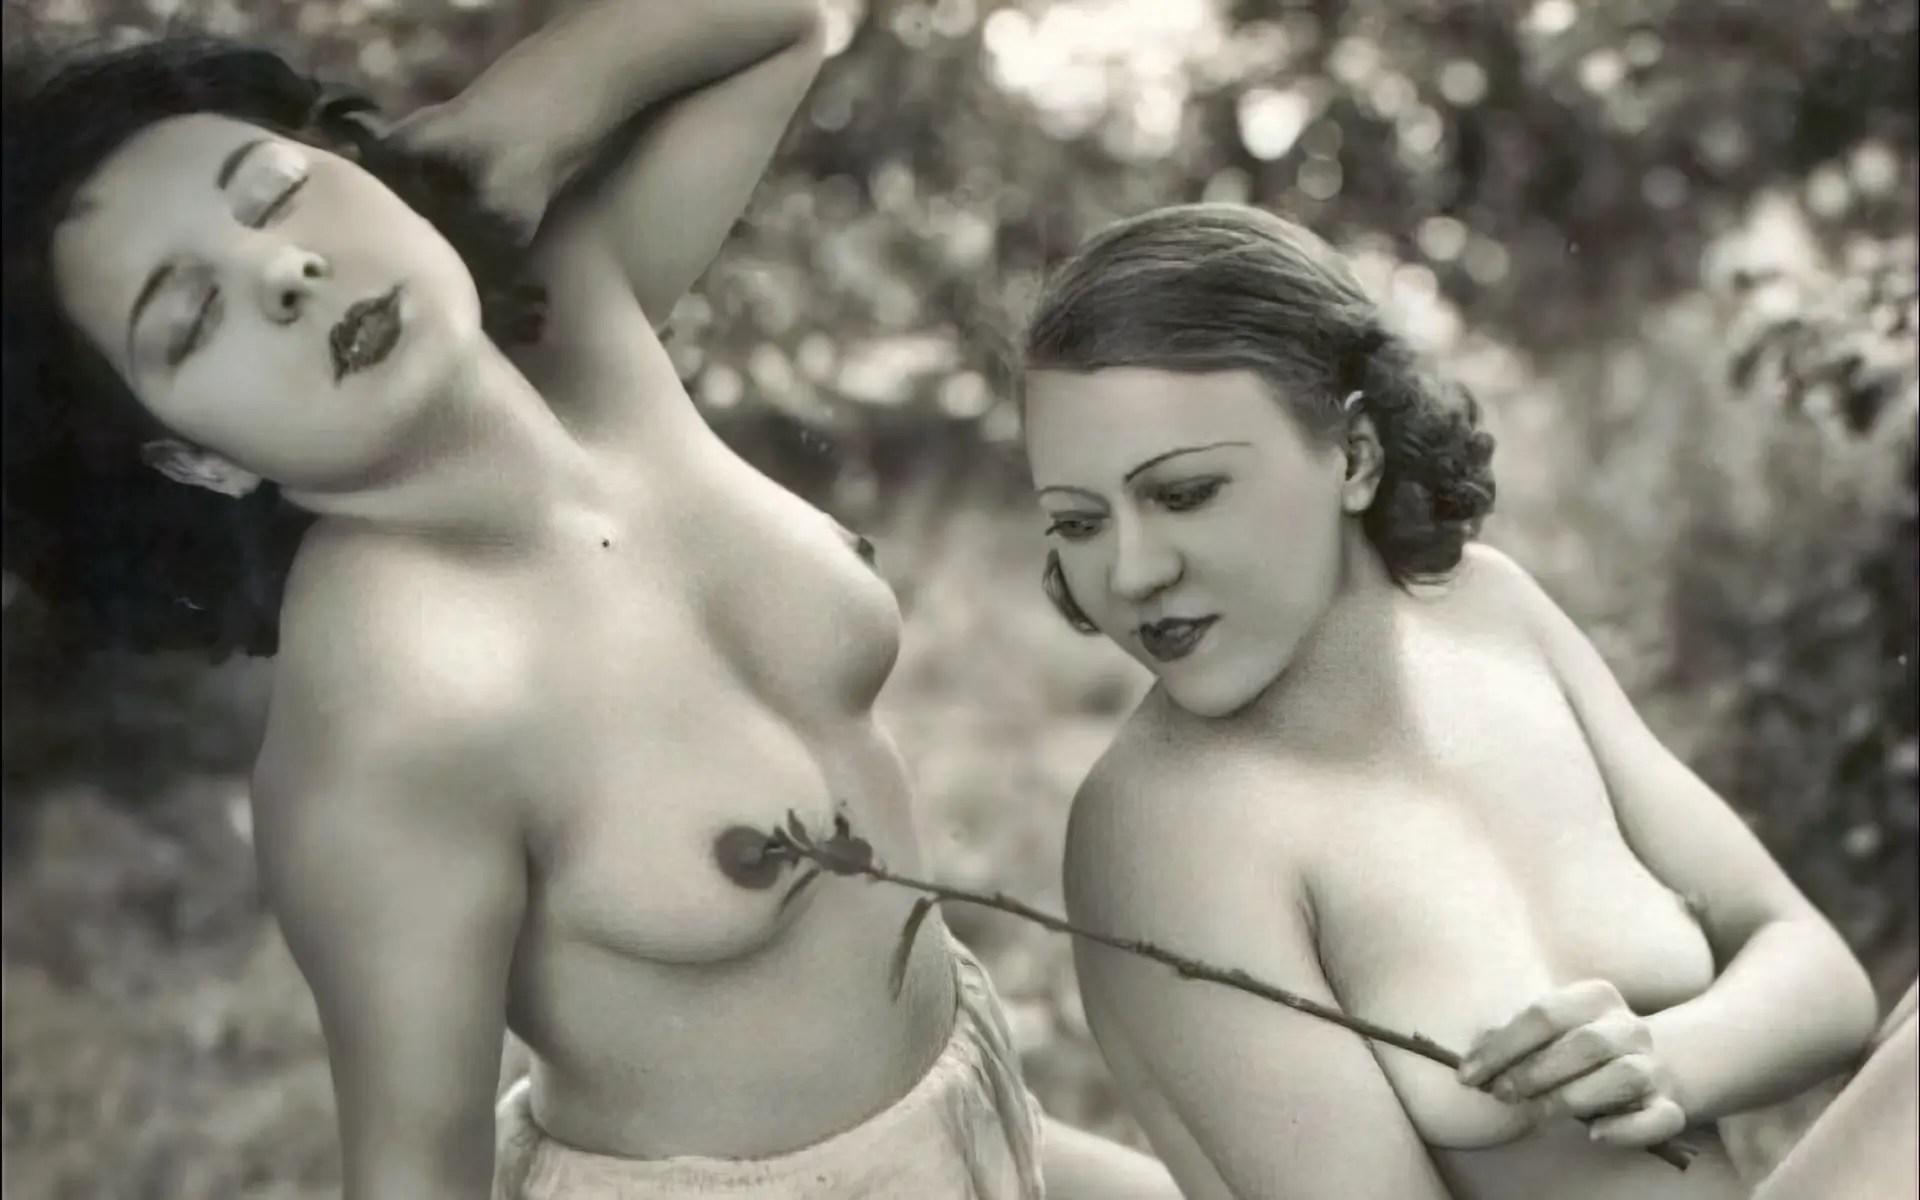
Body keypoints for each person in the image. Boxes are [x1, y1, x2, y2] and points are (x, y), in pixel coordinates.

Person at [1, 6, 1178, 1198]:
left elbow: (789, 21)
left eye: (277, 194)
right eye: (195, 319)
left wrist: (516, 113)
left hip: (977, 1118)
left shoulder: (588, 305)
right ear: (195, 462)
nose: (285, 272)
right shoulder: (384, 716)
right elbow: (414, 1179)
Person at [1017, 201, 1918, 1200]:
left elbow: (1819, 975)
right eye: (1078, 523)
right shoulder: (1163, 826)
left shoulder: (1491, 612)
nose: (1132, 573)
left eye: (1184, 494)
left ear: (1355, 457)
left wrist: (1667, 1060)